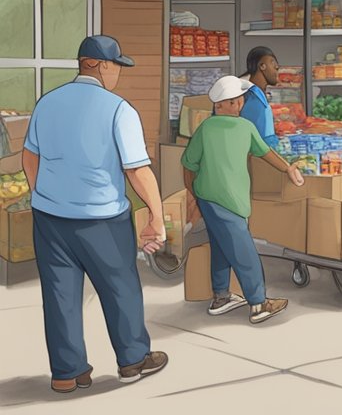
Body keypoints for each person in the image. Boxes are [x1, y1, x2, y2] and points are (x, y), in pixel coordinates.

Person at [21, 35, 169, 392]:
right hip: (102, 218)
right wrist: (156, 216)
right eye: (116, 65)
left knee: (60, 295)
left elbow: (30, 157)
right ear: (101, 65)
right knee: (120, 288)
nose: (118, 72)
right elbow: (137, 170)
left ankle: (67, 373)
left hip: (50, 219)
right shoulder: (118, 109)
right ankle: (133, 359)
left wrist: (44, 194)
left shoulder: (47, 103)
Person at [183, 75, 302, 325]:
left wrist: (193, 192)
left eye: (240, 100)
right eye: (234, 101)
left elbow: (188, 163)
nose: (239, 104)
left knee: (221, 247)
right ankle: (258, 303)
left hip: (208, 197)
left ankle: (221, 297)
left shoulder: (205, 128)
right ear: (220, 105)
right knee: (245, 252)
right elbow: (266, 153)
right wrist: (287, 168)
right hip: (231, 201)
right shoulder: (245, 128)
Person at [239, 46, 280, 149]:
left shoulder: (256, 94)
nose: (277, 67)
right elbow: (259, 142)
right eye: (272, 62)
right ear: (262, 66)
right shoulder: (252, 98)